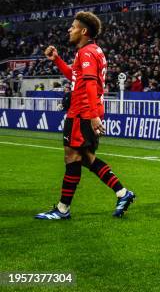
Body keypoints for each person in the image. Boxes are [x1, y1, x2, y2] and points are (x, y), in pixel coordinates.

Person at [35, 12, 135, 220]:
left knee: (72, 156)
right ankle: (123, 194)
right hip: (86, 111)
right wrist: (57, 60)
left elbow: (90, 84)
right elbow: (76, 77)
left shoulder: (87, 52)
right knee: (86, 158)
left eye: (73, 27)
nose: (69, 30)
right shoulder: (92, 51)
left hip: (82, 112)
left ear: (84, 31)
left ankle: (63, 209)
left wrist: (91, 115)